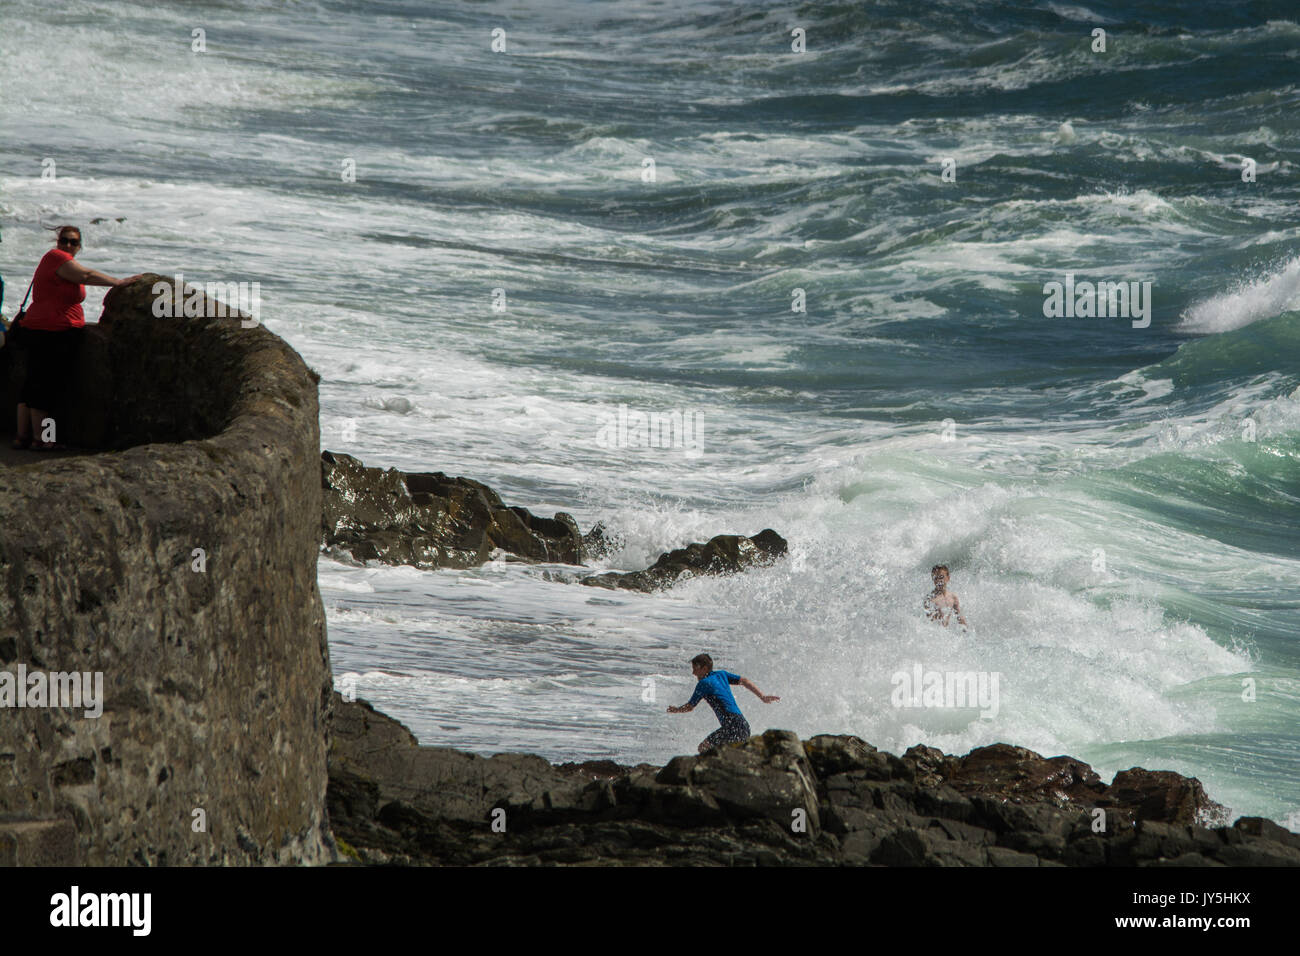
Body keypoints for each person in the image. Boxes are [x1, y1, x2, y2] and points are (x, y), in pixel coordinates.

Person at [12, 225, 140, 450]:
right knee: (48, 390)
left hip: (40, 328)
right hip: (53, 332)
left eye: (73, 242)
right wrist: (119, 282)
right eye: (65, 240)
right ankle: (44, 440)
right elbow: (86, 275)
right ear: (57, 241)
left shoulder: (57, 261)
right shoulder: (56, 257)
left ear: (79, 246)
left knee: (32, 385)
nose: (68, 245)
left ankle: (23, 436)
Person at [667, 653, 779, 753]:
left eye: (695, 669)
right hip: (743, 725)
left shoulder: (703, 683)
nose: (693, 672)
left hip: (732, 726)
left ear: (705, 668)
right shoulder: (721, 674)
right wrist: (762, 696)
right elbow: (744, 681)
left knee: (703, 748)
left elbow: (690, 707)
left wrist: (676, 710)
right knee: (727, 755)